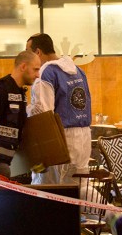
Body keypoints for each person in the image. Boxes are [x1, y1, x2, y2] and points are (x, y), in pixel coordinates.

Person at [26, 33, 92, 185]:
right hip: (83, 139)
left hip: (60, 138)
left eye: (28, 52)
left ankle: (109, 210)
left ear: (37, 52)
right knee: (78, 189)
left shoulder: (45, 72)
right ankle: (106, 209)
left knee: (47, 190)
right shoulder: (78, 70)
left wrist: (27, 110)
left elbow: (43, 112)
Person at [0, 51, 41, 178]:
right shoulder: (0, 89)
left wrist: (36, 161)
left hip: (10, 161)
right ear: (23, 67)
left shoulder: (20, 92)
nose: (38, 75)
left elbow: (19, 130)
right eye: (35, 69)